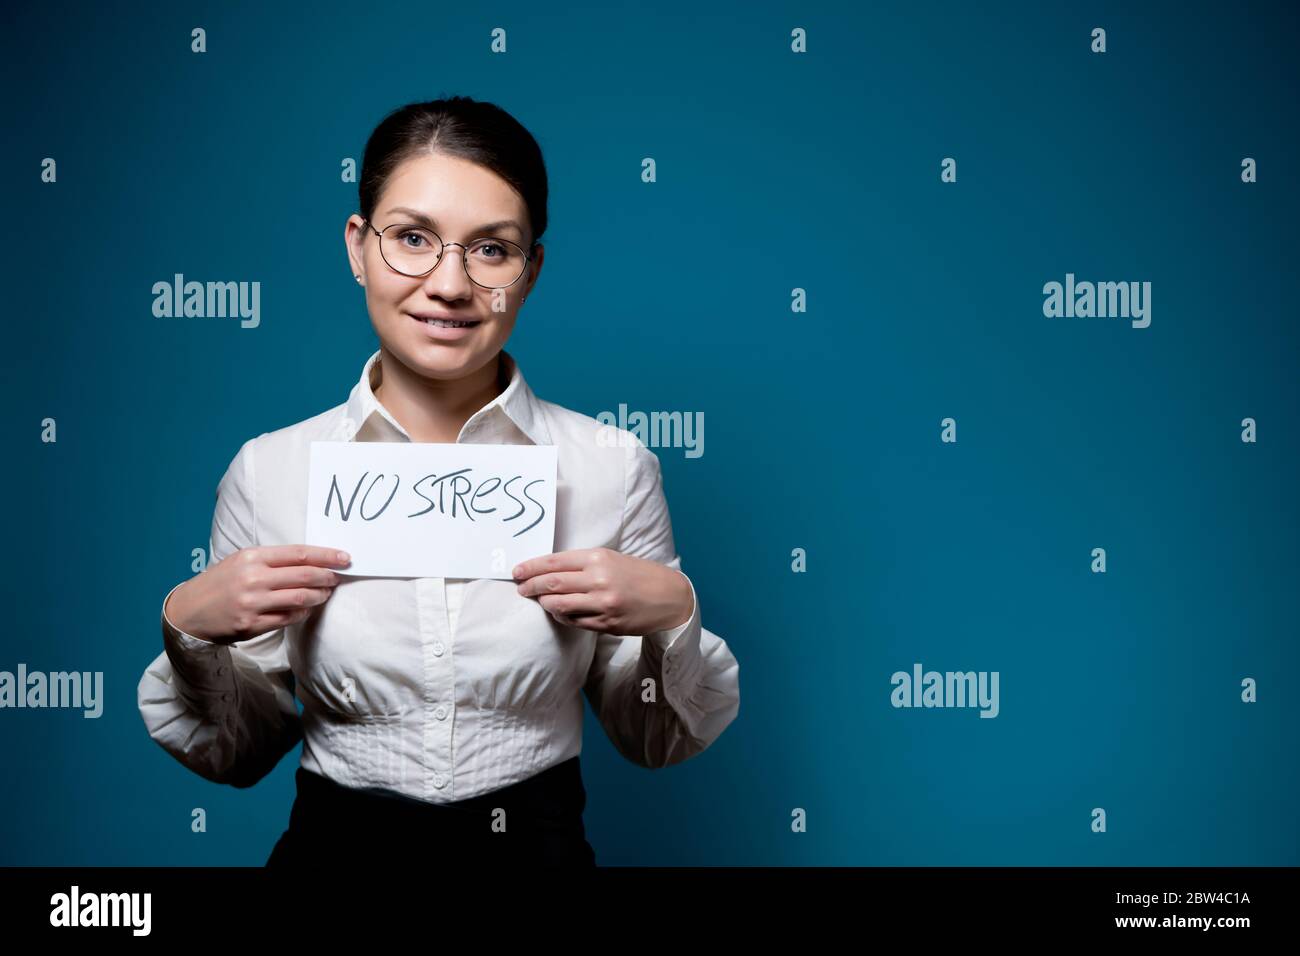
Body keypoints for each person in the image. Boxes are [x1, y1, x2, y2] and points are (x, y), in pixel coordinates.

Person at [135, 96, 741, 868]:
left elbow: (654, 739)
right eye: (412, 238)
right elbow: (238, 753)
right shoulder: (269, 471)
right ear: (358, 247)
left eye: (491, 250)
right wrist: (190, 631)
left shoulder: (612, 467)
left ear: (531, 271)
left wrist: (672, 613)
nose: (449, 284)